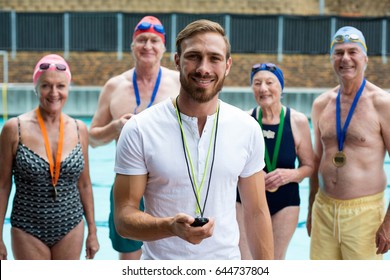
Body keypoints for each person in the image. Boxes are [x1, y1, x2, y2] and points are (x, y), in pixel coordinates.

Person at [113, 19, 274, 260]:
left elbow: (256, 213)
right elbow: (124, 219)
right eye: (194, 56)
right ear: (177, 60)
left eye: (214, 58)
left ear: (228, 65)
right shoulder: (140, 129)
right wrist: (169, 226)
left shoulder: (247, 129)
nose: (203, 68)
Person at [88, 15, 180, 260]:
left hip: (169, 184)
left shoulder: (178, 82)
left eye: (153, 40)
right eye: (141, 40)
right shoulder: (115, 86)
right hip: (128, 183)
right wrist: (116, 127)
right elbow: (93, 139)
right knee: (129, 259)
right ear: (132, 46)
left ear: (163, 47)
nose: (147, 46)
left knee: (171, 255)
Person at [0, 54, 99, 260]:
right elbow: (2, 185)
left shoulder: (79, 129)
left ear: (68, 88)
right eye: (46, 85)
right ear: (36, 87)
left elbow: (85, 185)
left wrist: (93, 232)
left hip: (70, 225)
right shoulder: (14, 129)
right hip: (27, 228)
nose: (54, 93)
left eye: (60, 86)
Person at [308, 26, 390, 260]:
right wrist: (311, 208)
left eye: (352, 52)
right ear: (331, 58)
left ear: (365, 58)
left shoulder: (382, 104)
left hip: (365, 215)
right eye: (339, 52)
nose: (345, 58)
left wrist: (388, 223)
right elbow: (316, 161)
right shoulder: (321, 104)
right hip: (324, 209)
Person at [236, 63, 314, 259]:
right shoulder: (244, 120)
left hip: (285, 202)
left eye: (270, 82)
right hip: (247, 200)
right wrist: (250, 173)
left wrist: (292, 174)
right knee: (246, 262)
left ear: (281, 87)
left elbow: (309, 166)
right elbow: (231, 165)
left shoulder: (297, 120)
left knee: (275, 262)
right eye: (257, 83)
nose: (263, 88)